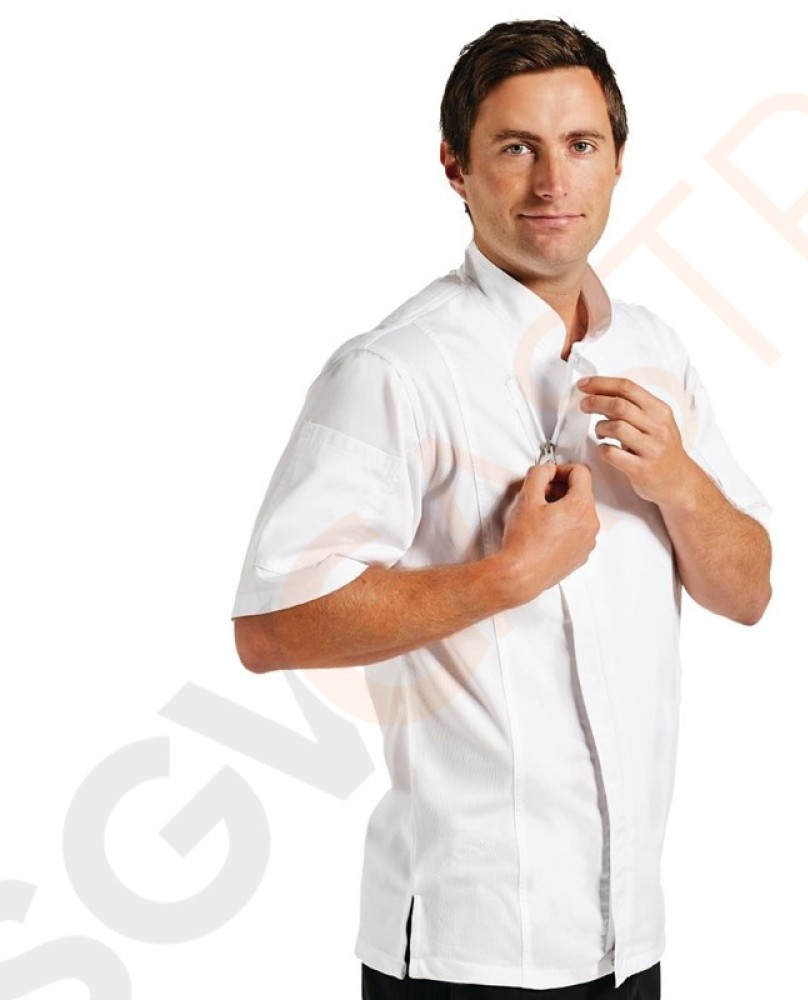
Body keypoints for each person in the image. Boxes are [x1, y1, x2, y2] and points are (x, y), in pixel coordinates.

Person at [231, 17, 773, 1000]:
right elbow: (269, 629)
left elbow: (748, 592)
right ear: (456, 166)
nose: (553, 182)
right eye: (517, 147)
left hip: (628, 939)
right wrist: (508, 575)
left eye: (581, 145)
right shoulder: (393, 370)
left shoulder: (656, 349)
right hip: (466, 946)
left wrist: (679, 482)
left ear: (618, 160)